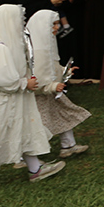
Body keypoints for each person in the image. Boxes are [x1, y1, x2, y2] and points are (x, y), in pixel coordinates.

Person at [0, 5, 64, 180]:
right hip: (3, 102)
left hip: (18, 99)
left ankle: (35, 168)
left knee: (24, 131)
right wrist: (24, 83)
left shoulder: (12, 46)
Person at [26, 9, 92, 159]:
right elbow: (37, 77)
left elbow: (52, 67)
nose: (57, 27)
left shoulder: (47, 44)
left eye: (57, 24)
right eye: (53, 24)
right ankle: (27, 156)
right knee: (39, 124)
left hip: (51, 93)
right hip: (40, 96)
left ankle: (68, 145)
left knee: (62, 115)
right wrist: (51, 86)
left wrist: (64, 72)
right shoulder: (37, 49)